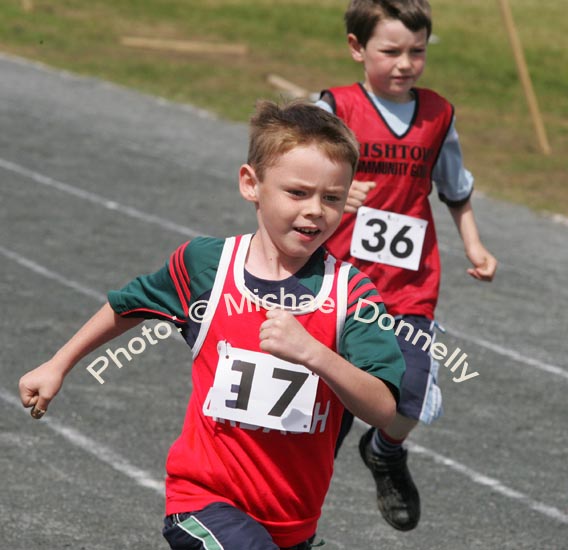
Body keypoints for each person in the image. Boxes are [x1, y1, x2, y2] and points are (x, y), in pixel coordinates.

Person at [18, 100, 406, 550]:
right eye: (298, 193)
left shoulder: (352, 294)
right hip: (203, 501)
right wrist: (58, 364)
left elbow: (382, 407)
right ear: (251, 184)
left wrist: (315, 354)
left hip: (293, 520)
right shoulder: (208, 266)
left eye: (332, 198)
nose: (316, 210)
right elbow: (129, 304)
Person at [315, 0, 498, 532]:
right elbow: (286, 167)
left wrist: (476, 246)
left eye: (416, 52)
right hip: (334, 278)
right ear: (357, 48)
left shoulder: (438, 115)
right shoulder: (334, 108)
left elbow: (455, 189)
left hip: (408, 285)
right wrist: (334, 192)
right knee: (326, 409)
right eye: (390, 51)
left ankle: (386, 452)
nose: (404, 64)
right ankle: (289, 518)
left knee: (410, 396)